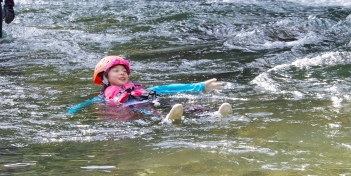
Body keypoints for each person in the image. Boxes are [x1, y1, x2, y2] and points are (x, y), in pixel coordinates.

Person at [67, 55, 232, 121]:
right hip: (132, 107)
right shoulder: (103, 97)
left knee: (190, 107)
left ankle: (213, 113)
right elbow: (85, 103)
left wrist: (201, 86)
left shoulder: (137, 87)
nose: (122, 73)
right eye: (116, 71)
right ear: (104, 77)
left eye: (124, 71)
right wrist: (71, 112)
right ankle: (166, 120)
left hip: (149, 100)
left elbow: (166, 88)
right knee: (150, 111)